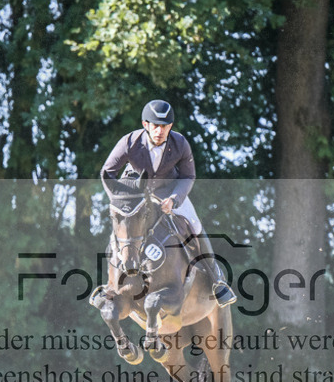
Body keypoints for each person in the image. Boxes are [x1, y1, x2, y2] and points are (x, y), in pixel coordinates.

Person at [101, 100, 237, 307]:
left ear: (170, 126)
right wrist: (120, 198)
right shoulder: (129, 142)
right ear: (145, 124)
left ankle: (217, 280)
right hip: (136, 194)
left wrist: (174, 199)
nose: (160, 130)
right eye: (155, 125)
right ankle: (110, 285)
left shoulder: (180, 143)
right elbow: (107, 172)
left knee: (195, 224)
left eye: (165, 126)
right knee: (121, 230)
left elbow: (188, 176)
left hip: (168, 192)